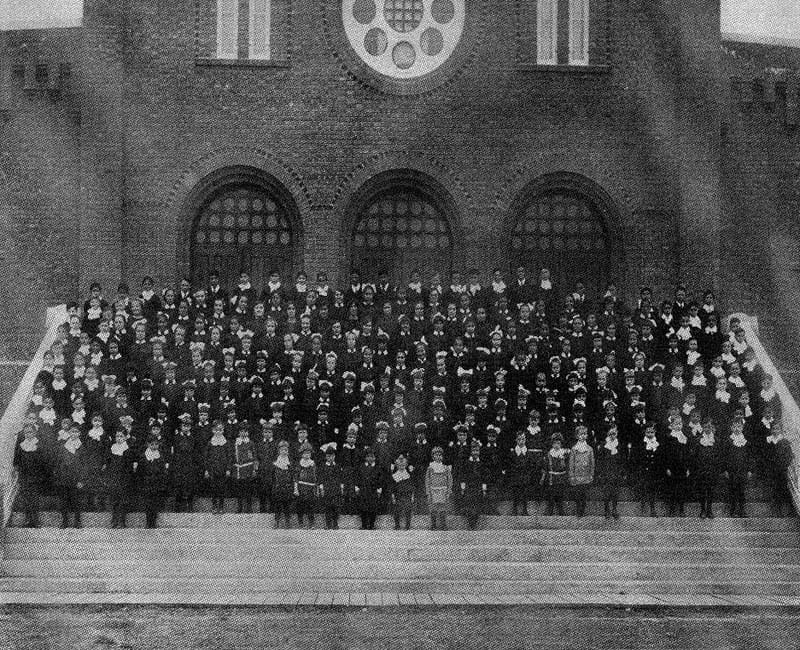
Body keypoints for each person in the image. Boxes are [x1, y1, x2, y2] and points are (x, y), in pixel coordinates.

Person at [53, 425, 86, 528]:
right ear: (69, 433)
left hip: (76, 478)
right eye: (72, 432)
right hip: (64, 477)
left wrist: (81, 480)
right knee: (64, 500)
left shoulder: (82, 447)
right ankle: (64, 521)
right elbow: (59, 462)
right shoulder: (63, 446)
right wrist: (59, 476)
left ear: (79, 434)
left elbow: (84, 465)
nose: (74, 434)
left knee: (76, 500)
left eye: (76, 432)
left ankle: (77, 521)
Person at [13, 424, 46, 528]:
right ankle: (27, 520)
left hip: (36, 476)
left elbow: (43, 462)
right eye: (26, 432)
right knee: (26, 499)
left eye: (30, 432)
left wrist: (40, 474)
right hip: (24, 476)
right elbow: (16, 461)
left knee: (35, 499)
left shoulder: (39, 445)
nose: (28, 434)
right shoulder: (21, 445)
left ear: (34, 433)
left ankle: (35, 520)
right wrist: (17, 472)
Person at [104, 429, 136, 528]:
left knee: (123, 500)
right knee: (114, 500)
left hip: (124, 478)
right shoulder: (112, 448)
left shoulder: (128, 449)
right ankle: (114, 520)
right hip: (114, 477)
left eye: (121, 436)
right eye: (117, 436)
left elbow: (129, 466)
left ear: (126, 437)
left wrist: (127, 477)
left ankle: (122, 521)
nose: (119, 438)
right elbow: (108, 463)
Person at [138, 435, 169, 528]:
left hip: (157, 482)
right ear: (148, 445)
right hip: (147, 482)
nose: (154, 446)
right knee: (148, 503)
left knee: (155, 502)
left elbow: (163, 470)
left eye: (156, 444)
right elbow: (141, 470)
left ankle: (153, 521)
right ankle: (148, 522)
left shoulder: (160, 456)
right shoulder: (144, 456)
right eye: (152, 444)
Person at [693, 419, 721, 519]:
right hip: (702, 469)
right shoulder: (698, 440)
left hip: (712, 469)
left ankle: (709, 510)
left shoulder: (716, 440)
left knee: (711, 490)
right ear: (702, 428)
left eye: (709, 427)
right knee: (702, 490)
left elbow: (719, 455)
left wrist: (716, 468)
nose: (707, 429)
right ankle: (702, 510)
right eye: (705, 427)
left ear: (712, 428)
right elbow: (695, 456)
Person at [204, 420, 232, 515]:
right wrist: (207, 470)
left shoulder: (226, 443)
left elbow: (229, 456)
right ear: (213, 430)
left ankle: (221, 506)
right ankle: (214, 505)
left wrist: (228, 469)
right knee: (213, 488)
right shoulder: (210, 443)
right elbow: (206, 457)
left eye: (220, 430)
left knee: (221, 488)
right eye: (216, 430)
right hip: (212, 469)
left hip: (222, 469)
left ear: (223, 431)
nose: (218, 432)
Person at [596, 424, 624, 519]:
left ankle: (614, 509)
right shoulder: (604, 445)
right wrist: (600, 472)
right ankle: (606, 509)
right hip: (606, 471)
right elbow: (600, 459)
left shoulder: (619, 445)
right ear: (608, 434)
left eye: (614, 434)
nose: (612, 436)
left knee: (615, 492)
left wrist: (622, 471)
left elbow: (622, 460)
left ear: (617, 434)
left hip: (616, 471)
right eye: (610, 434)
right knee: (606, 492)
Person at [460, 439, 487, 529]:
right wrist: (463, 487)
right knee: (469, 503)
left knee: (477, 504)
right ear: (471, 452)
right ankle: (470, 522)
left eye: (477, 451)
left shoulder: (481, 463)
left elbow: (484, 476)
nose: (475, 453)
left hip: (478, 487)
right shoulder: (467, 463)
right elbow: (463, 475)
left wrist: (484, 488)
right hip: (469, 487)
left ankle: (474, 523)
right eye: (473, 451)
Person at [568, 425, 595, 517]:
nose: (583, 436)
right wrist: (571, 475)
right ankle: (578, 509)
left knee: (584, 494)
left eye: (585, 434)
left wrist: (591, 474)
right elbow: (571, 463)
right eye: (581, 434)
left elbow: (592, 463)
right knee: (577, 493)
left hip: (586, 475)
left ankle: (582, 510)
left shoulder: (589, 449)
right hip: (577, 475)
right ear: (577, 436)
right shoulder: (574, 449)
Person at [425, 446, 452, 530]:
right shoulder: (430, 468)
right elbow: (427, 480)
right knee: (433, 507)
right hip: (433, 490)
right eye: (436, 455)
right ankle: (433, 525)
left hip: (443, 490)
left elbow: (449, 479)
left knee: (443, 507)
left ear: (442, 457)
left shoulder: (445, 468)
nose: (438, 457)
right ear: (433, 457)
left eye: (440, 455)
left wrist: (448, 490)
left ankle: (443, 525)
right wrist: (428, 491)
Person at [541, 433, 569, 515]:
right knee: (551, 494)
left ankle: (561, 510)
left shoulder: (564, 453)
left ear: (561, 444)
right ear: (552, 444)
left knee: (560, 494)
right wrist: (543, 477)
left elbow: (567, 466)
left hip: (561, 477)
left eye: (558, 443)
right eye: (554, 443)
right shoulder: (549, 454)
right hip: (552, 478)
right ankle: (550, 510)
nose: (556, 445)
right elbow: (545, 467)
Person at [318, 442, 344, 529]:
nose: (330, 458)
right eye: (328, 456)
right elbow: (321, 478)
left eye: (332, 456)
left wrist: (341, 488)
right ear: (326, 457)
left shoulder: (337, 466)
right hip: (327, 489)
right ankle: (328, 524)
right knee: (328, 507)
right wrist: (321, 488)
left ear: (334, 456)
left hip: (336, 489)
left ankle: (335, 523)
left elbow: (341, 478)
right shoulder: (323, 467)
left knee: (336, 507)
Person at [232, 422, 257, 513]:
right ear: (239, 433)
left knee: (248, 489)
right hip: (239, 469)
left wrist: (254, 468)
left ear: (248, 433)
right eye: (241, 431)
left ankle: (249, 508)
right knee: (239, 489)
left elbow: (254, 456)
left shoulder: (250, 443)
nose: (243, 433)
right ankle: (239, 507)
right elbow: (233, 456)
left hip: (248, 468)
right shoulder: (236, 443)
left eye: (245, 431)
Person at [356, 447, 383, 530]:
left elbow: (380, 479)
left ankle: (371, 525)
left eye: (372, 456)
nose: (370, 458)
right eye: (368, 456)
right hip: (364, 489)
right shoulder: (361, 467)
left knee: (373, 507)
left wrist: (379, 489)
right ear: (365, 457)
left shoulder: (378, 468)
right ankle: (364, 524)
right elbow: (358, 477)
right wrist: (357, 487)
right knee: (363, 507)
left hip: (373, 490)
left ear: (375, 458)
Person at [270, 440, 295, 528]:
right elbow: (272, 477)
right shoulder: (275, 464)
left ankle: (287, 522)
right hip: (278, 487)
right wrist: (274, 487)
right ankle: (276, 522)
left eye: (285, 450)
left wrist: (292, 487)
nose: (284, 452)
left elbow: (293, 476)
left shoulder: (290, 464)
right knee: (277, 506)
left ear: (288, 451)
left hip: (287, 488)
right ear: (279, 451)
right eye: (282, 450)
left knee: (287, 506)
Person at [294, 442, 317, 528]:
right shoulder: (299, 464)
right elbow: (296, 477)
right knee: (301, 506)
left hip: (310, 487)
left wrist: (315, 488)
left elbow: (315, 477)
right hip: (301, 487)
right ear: (301, 454)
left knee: (310, 506)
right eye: (305, 453)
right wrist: (296, 489)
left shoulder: (312, 464)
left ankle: (311, 523)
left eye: (308, 453)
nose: (307, 455)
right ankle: (301, 523)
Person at [391, 454, 415, 530]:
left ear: (406, 465)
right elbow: (392, 488)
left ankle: (407, 525)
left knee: (408, 510)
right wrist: (393, 497)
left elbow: (412, 487)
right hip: (398, 495)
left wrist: (412, 496)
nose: (401, 466)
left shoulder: (409, 475)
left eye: (403, 465)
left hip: (407, 495)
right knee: (397, 510)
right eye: (399, 465)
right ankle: (397, 525)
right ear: (397, 465)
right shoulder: (394, 475)